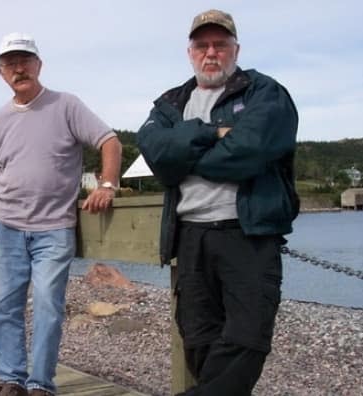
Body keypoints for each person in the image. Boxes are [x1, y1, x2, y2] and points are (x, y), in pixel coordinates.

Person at [137, 10, 299, 396]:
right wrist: (213, 133)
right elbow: (155, 152)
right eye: (202, 45)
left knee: (248, 337)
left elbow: (250, 151)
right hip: (191, 238)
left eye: (220, 45)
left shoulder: (265, 92)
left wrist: (186, 156)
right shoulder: (170, 103)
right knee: (198, 339)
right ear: (190, 52)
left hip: (248, 234)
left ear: (235, 49)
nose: (211, 53)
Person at [0, 32, 122, 396]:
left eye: (25, 60)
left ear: (39, 65)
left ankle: (40, 383)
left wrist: (106, 186)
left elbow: (110, 141)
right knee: (3, 307)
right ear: (1, 73)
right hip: (6, 226)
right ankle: (11, 377)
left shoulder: (66, 105)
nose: (18, 68)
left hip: (54, 228)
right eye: (10, 64)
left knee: (47, 307)